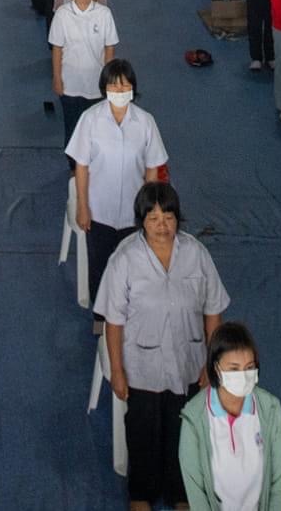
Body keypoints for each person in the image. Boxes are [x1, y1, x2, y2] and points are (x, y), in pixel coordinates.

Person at [96, 183, 229, 511]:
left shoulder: (197, 254)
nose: (161, 225)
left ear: (177, 218)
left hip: (189, 362)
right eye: (153, 217)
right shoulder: (124, 259)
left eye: (168, 216)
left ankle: (182, 492)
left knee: (185, 432)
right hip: (142, 367)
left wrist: (211, 363)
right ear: (141, 220)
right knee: (142, 432)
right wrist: (117, 370)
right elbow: (114, 321)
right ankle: (141, 493)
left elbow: (213, 312)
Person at [66, 60, 169, 312]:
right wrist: (83, 206)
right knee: (100, 264)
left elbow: (152, 170)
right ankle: (101, 316)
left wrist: (150, 212)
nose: (119, 92)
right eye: (114, 86)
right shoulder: (89, 120)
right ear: (104, 88)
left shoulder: (146, 123)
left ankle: (129, 312)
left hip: (133, 214)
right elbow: (81, 166)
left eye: (125, 86)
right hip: (99, 210)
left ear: (133, 89)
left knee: (133, 264)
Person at [177, 321, 281, 511]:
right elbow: (195, 488)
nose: (243, 376)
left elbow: (279, 478)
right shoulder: (194, 417)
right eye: (234, 369)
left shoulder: (271, 409)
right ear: (215, 368)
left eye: (249, 367)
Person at [49, 0, 119, 143]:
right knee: (72, 129)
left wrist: (108, 81)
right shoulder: (62, 15)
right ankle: (74, 167)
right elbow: (57, 49)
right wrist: (57, 78)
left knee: (96, 131)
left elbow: (109, 48)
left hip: (96, 84)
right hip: (70, 85)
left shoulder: (104, 14)